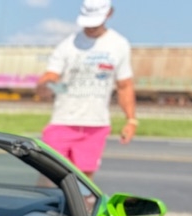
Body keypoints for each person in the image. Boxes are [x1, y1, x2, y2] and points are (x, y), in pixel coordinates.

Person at [36, 0, 137, 178]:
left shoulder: (119, 45)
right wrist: (46, 84)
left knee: (84, 184)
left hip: (96, 125)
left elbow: (124, 85)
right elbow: (51, 75)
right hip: (63, 121)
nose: (90, 27)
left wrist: (131, 120)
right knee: (49, 178)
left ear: (109, 14)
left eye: (95, 22)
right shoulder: (67, 45)